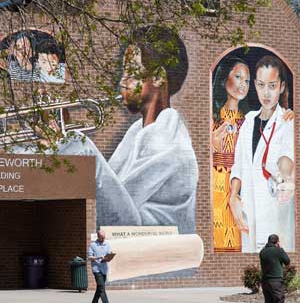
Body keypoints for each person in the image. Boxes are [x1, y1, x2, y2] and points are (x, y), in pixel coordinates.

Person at [43, 26, 198, 234]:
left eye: (131, 73)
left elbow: (118, 214)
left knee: (81, 147)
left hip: (153, 249)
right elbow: (105, 193)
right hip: (133, 243)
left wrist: (71, 141)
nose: (121, 82)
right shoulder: (137, 133)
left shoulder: (170, 144)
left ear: (159, 77)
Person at [229, 55, 295, 252]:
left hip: (274, 207)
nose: (266, 93)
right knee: (250, 257)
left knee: (273, 257)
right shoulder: (248, 121)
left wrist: (285, 179)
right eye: (260, 85)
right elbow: (238, 164)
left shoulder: (287, 120)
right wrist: (233, 196)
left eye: (272, 86)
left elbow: (286, 156)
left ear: (282, 86)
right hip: (249, 210)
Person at [211, 57, 251, 252]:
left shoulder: (247, 120)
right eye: (238, 77)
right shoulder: (212, 116)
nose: (242, 85)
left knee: (238, 232)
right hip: (216, 182)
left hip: (238, 182)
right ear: (224, 78)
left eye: (247, 80)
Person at [0, 29, 68, 83]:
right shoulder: (10, 65)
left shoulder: (39, 67)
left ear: (33, 52)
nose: (22, 49)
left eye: (26, 46)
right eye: (18, 46)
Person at [259, 234, 290, 303]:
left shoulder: (262, 252)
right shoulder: (278, 250)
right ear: (277, 242)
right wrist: (281, 248)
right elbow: (287, 261)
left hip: (265, 281)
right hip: (276, 281)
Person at [88, 229, 113, 303]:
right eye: (102, 238)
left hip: (104, 269)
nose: (103, 239)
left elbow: (109, 255)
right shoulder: (93, 245)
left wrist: (109, 257)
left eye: (104, 237)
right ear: (98, 237)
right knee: (102, 287)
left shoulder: (107, 244)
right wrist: (98, 258)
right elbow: (90, 257)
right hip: (97, 269)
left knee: (99, 289)